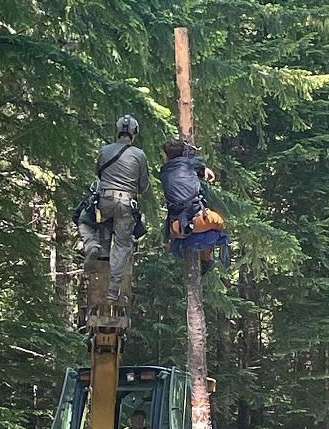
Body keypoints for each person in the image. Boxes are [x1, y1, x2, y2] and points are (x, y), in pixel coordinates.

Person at [79, 115, 150, 301]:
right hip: (127, 205)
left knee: (84, 221)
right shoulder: (139, 155)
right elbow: (143, 186)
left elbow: (99, 173)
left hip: (104, 201)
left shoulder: (104, 150)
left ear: (117, 130)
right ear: (135, 133)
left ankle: (92, 245)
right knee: (123, 244)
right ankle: (112, 290)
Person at [159, 138, 224, 274]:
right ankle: (206, 258)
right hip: (202, 220)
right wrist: (204, 168)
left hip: (179, 228)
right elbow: (196, 162)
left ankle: (202, 258)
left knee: (176, 237)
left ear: (166, 156)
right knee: (218, 223)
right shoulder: (190, 164)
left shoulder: (163, 173)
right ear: (184, 153)